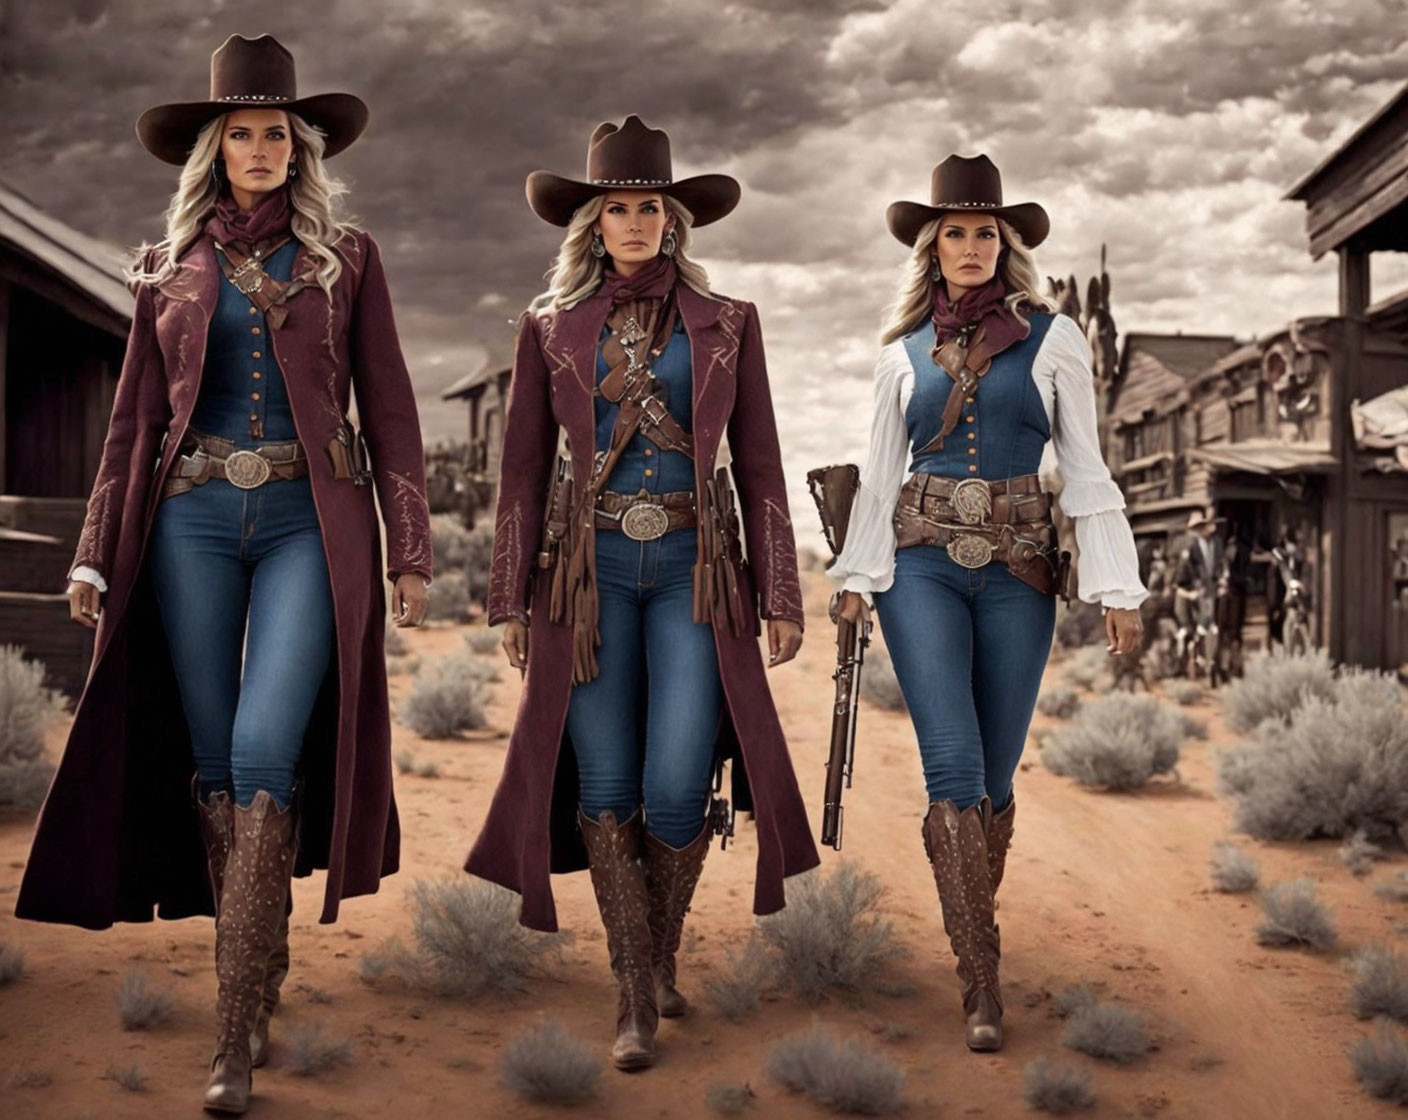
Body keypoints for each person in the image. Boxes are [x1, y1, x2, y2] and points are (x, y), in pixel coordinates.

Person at [16, 35, 432, 1115]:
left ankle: (235, 1031)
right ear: (213, 148)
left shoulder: (350, 257)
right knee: (210, 757)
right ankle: (256, 961)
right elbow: (129, 425)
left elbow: (389, 408)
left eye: (277, 135)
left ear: (303, 150)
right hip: (188, 521)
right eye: (240, 133)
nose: (260, 149)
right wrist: (96, 555)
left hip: (307, 517)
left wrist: (413, 550)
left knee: (260, 753)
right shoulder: (164, 267)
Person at [464, 116, 819, 1071]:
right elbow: (524, 472)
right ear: (591, 222)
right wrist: (508, 598)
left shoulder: (729, 322)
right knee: (609, 785)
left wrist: (780, 590)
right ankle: (635, 992)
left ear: (674, 220)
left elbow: (763, 464)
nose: (633, 222)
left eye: (648, 208)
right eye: (615, 208)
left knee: (673, 790)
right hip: (587, 580)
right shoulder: (550, 330)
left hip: (699, 576)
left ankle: (656, 957)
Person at [829, 154, 1146, 1051]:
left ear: (1006, 246)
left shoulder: (1055, 338)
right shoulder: (899, 354)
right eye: (955, 233)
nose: (970, 247)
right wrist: (857, 581)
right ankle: (982, 980)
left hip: (1020, 569)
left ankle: (971, 931)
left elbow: (1083, 468)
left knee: (998, 780)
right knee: (955, 769)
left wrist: (1116, 583)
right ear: (932, 249)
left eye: (985, 233)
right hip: (921, 564)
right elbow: (884, 472)